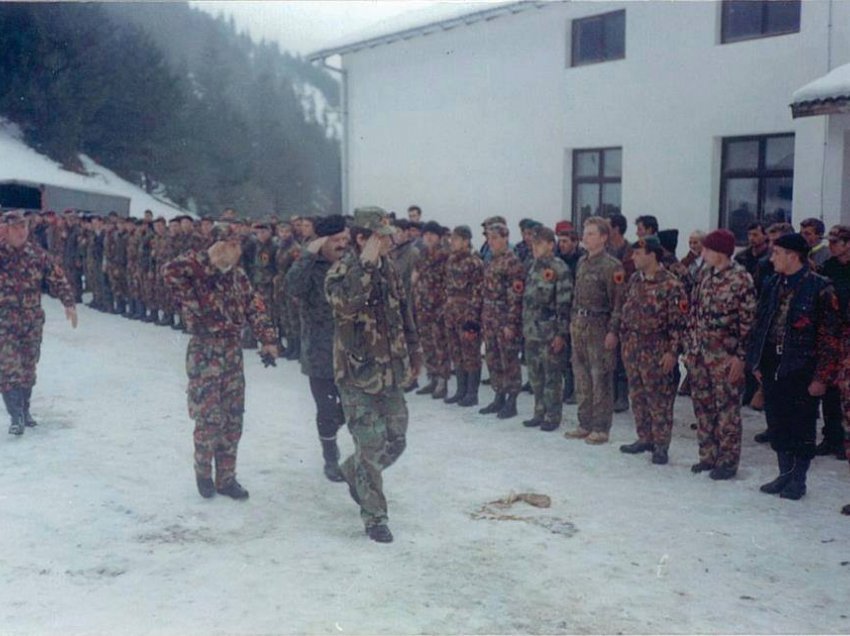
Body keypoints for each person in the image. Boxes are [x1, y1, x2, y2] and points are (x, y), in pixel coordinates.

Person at [325, 207, 421, 544]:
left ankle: (352, 471)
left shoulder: (390, 269)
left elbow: (403, 311)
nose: (389, 241)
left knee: (396, 439)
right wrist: (364, 267)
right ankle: (375, 517)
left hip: (390, 371)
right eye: (381, 236)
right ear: (362, 239)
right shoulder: (340, 273)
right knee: (370, 445)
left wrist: (415, 352)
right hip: (356, 374)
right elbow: (347, 308)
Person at [162, 231, 278, 500]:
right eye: (232, 245)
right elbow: (169, 271)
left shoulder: (238, 277)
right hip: (205, 351)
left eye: (239, 245)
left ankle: (226, 478)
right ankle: (203, 473)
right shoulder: (195, 275)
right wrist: (206, 260)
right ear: (218, 246)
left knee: (233, 418)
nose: (238, 251)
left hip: (232, 353)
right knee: (209, 417)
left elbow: (255, 307)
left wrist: (268, 339)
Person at [747, 233, 840, 499]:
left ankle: (798, 479)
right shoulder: (773, 283)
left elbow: (830, 337)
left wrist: (821, 377)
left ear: (793, 255)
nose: (772, 257)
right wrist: (755, 361)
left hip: (802, 367)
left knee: (802, 425)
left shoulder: (821, 288)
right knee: (777, 421)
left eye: (777, 252)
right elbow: (760, 323)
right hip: (773, 364)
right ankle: (784, 473)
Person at [685, 229, 755, 480]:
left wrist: (740, 357)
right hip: (700, 353)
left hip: (725, 356)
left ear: (720, 252)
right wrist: (690, 346)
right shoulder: (705, 274)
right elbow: (693, 312)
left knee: (726, 410)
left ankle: (727, 461)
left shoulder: (741, 279)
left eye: (706, 250)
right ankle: (708, 455)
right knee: (703, 406)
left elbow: (748, 324)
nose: (702, 254)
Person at [0, 211, 77, 435]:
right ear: (6, 230)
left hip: (32, 321)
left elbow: (57, 277)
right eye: (16, 228)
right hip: (4, 322)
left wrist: (69, 303)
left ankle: (25, 410)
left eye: (24, 227)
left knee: (28, 367)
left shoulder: (36, 254)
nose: (21, 232)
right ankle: (15, 416)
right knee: (8, 369)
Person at [286, 215, 350, 482]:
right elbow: (291, 286)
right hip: (320, 350)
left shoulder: (350, 264)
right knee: (325, 408)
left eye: (345, 239)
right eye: (336, 240)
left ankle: (332, 434)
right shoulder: (310, 266)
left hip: (349, 349)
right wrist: (307, 254)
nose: (342, 245)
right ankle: (330, 457)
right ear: (322, 241)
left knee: (350, 405)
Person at [618, 236, 687, 464]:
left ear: (652, 255)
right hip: (633, 348)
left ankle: (660, 445)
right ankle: (644, 437)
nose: (633, 257)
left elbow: (678, 324)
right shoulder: (635, 280)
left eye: (638, 253)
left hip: (657, 350)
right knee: (637, 396)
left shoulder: (671, 285)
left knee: (659, 400)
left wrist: (672, 352)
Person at [564, 216, 625, 444]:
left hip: (600, 327)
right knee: (581, 376)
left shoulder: (612, 266)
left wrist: (613, 331)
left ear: (603, 237)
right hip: (580, 324)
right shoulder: (582, 262)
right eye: (585, 232)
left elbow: (618, 303)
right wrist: (572, 321)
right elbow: (576, 296)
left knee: (600, 377)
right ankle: (584, 422)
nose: (585, 237)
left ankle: (600, 427)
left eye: (591, 233)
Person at [521, 227, 572, 431]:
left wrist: (561, 334)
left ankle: (552, 415)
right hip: (531, 331)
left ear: (551, 245)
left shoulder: (559, 269)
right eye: (533, 244)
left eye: (539, 243)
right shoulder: (532, 266)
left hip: (549, 332)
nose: (535, 247)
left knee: (552, 377)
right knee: (535, 376)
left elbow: (564, 304)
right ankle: (539, 411)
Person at [479, 222, 525, 419]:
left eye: (495, 238)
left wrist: (511, 323)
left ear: (505, 238)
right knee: (492, 357)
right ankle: (499, 395)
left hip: (504, 316)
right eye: (489, 238)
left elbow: (515, 297)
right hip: (490, 317)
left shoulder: (512, 262)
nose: (491, 242)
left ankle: (512, 400)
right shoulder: (491, 260)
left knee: (509, 359)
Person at [443, 225, 485, 406]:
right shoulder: (451, 260)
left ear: (466, 241)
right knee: (456, 352)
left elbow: (478, 291)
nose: (452, 242)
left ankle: (471, 393)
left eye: (456, 239)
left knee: (471, 353)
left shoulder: (474, 263)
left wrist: (473, 319)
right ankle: (460, 390)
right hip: (452, 313)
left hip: (467, 314)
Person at [819, 225, 850, 460]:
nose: (830, 246)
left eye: (835, 242)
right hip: (831, 334)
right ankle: (831, 437)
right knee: (829, 387)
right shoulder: (828, 268)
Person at [412, 221, 451, 399]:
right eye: (426, 234)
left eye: (432, 234)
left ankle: (442, 381)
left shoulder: (445, 256)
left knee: (440, 344)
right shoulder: (422, 255)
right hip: (423, 307)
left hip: (439, 307)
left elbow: (448, 283)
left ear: (439, 237)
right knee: (427, 344)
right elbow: (417, 277)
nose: (428, 237)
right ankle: (432, 377)